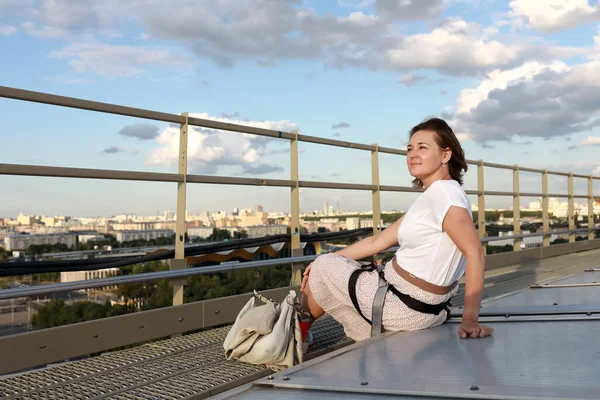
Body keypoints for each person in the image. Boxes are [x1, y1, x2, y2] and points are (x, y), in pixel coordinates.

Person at [299, 117, 493, 342]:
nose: (412, 154)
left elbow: (475, 252)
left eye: (423, 147)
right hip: (420, 308)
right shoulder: (436, 196)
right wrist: (329, 261)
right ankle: (298, 330)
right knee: (328, 269)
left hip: (401, 304)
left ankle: (294, 332)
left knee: (324, 265)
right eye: (410, 149)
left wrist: (470, 320)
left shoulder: (444, 194)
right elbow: (377, 242)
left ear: (445, 155)